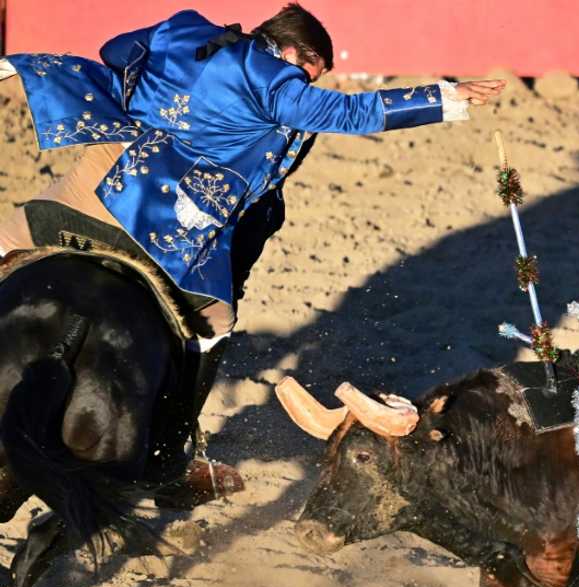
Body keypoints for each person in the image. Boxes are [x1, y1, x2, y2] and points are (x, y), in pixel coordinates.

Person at [0, 4, 504, 503]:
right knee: (217, 323)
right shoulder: (274, 83)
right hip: (160, 234)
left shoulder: (183, 28)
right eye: (310, 74)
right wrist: (447, 97)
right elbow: (353, 112)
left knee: (6, 241)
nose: (306, 85)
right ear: (289, 52)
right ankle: (170, 454)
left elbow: (115, 53)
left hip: (83, 198)